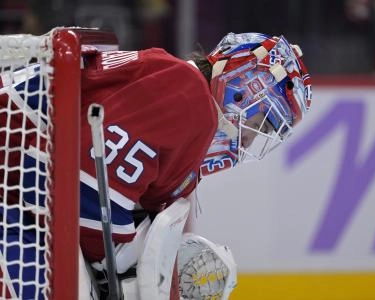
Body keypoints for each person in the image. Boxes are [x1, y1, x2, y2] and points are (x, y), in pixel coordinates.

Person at [0, 30, 312, 299]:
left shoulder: (184, 95)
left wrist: (155, 255)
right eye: (261, 122)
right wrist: (132, 266)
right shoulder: (188, 96)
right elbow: (84, 194)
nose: (249, 141)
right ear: (244, 90)